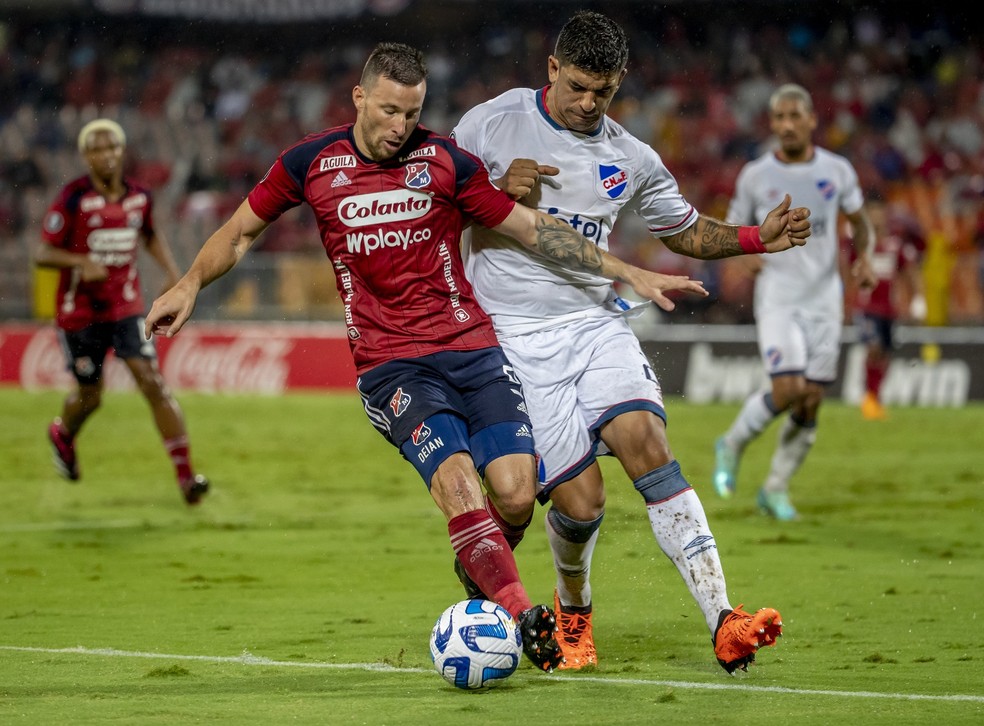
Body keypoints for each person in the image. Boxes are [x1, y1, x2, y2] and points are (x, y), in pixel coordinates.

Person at [143, 42, 704, 673]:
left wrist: (626, 269)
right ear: (359, 98)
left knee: (517, 496)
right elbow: (241, 231)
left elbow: (530, 228)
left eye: (411, 114)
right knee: (458, 482)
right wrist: (190, 281)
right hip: (392, 366)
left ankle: (480, 561)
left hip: (473, 350)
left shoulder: (445, 161)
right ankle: (523, 616)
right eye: (387, 111)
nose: (398, 128)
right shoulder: (309, 162)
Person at [451, 11, 802, 673]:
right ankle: (573, 610)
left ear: (621, 84)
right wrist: (496, 194)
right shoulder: (488, 123)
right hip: (514, 342)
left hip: (596, 323)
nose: (589, 103)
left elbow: (685, 229)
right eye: (578, 86)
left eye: (603, 92)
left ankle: (723, 617)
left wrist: (757, 238)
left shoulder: (630, 157)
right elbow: (440, 202)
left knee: (647, 440)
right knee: (582, 504)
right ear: (552, 69)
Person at [713, 83, 877, 519]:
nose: (785, 125)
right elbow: (732, 229)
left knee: (810, 400)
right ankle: (732, 443)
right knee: (788, 389)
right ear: (772, 124)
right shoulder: (756, 175)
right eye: (778, 118)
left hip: (824, 300)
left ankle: (775, 489)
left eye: (793, 116)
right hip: (779, 297)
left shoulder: (837, 170)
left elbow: (860, 223)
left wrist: (864, 259)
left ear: (810, 120)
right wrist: (743, 257)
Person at [37, 118, 209, 506]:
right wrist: (80, 261)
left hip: (125, 309)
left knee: (152, 382)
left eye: (112, 147)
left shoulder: (139, 197)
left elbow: (148, 233)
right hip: (79, 314)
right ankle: (63, 433)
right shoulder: (72, 198)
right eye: (97, 149)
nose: (107, 155)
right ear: (86, 155)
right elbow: (42, 253)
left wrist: (170, 271)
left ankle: (186, 478)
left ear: (122, 151)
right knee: (90, 397)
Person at [851, 195, 926, 420]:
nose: (875, 218)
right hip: (866, 308)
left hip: (889, 309)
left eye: (878, 213)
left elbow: (910, 272)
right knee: (872, 348)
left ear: (884, 215)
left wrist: (918, 299)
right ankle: (868, 398)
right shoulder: (861, 243)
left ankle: (875, 396)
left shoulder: (896, 244)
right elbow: (848, 269)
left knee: (884, 353)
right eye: (871, 213)